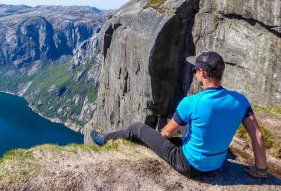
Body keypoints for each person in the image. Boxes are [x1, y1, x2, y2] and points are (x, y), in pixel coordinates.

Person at [91, 51, 268, 178]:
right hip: (218, 163)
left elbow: (166, 134)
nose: (194, 72)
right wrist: (260, 170)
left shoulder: (191, 102)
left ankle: (105, 138)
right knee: (187, 123)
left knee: (137, 128)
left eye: (195, 70)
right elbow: (257, 135)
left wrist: (159, 140)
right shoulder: (240, 100)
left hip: (189, 165)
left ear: (203, 73)